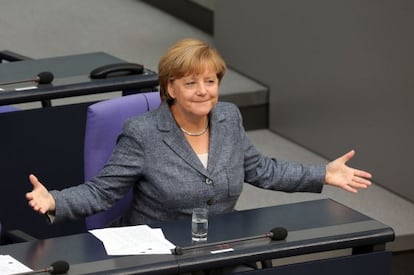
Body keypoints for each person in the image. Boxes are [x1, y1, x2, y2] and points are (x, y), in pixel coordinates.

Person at [26, 38, 372, 227]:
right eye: (191, 83)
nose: (203, 90)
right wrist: (56, 200)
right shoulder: (142, 133)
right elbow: (103, 192)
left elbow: (262, 171)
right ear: (170, 88)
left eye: (210, 81)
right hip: (160, 250)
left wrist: (323, 173)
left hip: (220, 245)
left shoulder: (228, 118)